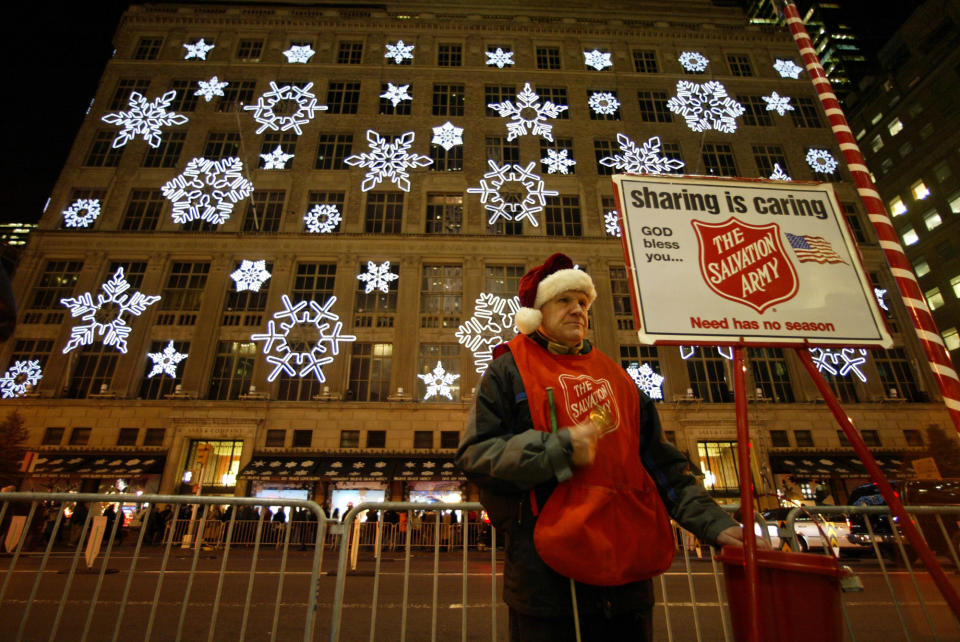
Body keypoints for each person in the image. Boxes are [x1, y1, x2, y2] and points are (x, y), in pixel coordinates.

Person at [456, 253, 751, 642]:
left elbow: (662, 465)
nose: (578, 309)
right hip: (547, 579)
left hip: (626, 573)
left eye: (583, 302)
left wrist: (714, 524)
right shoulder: (508, 370)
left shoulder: (618, 377)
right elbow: (476, 453)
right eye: (564, 301)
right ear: (537, 313)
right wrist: (557, 448)